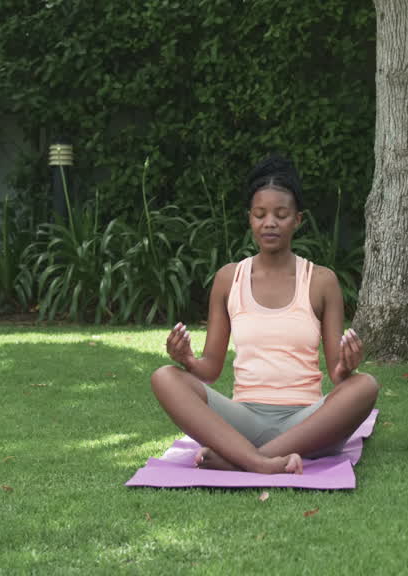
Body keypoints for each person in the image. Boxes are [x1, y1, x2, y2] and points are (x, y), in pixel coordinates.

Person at [150, 155, 379, 474]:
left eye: (281, 215)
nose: (269, 222)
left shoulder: (322, 281)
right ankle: (259, 461)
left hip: (309, 426)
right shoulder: (229, 279)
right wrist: (186, 359)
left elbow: (338, 377)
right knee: (165, 376)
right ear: (250, 219)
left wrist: (347, 365)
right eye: (260, 214)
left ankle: (240, 460)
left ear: (297, 220)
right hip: (242, 422)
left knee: (365, 385)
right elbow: (210, 370)